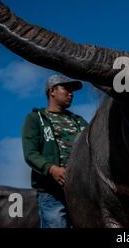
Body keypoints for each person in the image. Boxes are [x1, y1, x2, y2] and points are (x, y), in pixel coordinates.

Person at [22, 74, 88, 228]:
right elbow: (30, 154)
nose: (71, 93)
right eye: (66, 89)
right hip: (51, 192)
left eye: (72, 91)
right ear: (52, 91)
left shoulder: (79, 121)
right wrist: (51, 169)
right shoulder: (35, 119)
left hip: (81, 191)